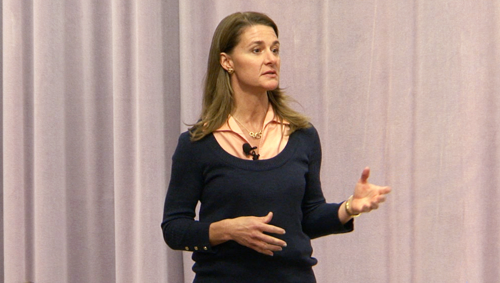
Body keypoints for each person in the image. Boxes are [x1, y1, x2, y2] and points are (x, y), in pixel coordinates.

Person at [161, 11, 391, 283]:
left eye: (275, 49)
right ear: (227, 62)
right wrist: (227, 230)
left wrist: (350, 207)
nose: (271, 59)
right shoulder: (197, 144)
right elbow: (174, 229)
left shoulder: (302, 135)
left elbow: (308, 218)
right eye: (256, 50)